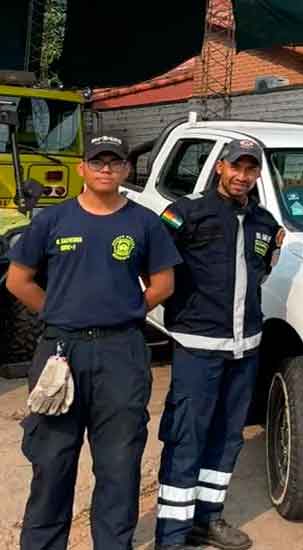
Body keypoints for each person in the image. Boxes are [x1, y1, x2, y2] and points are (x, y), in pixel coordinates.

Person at [6, 135, 180, 550]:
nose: (106, 169)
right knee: (51, 461)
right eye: (97, 161)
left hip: (121, 352)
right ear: (82, 168)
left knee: (119, 463)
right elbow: (18, 280)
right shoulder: (52, 221)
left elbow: (164, 283)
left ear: (125, 171)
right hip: (60, 353)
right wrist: (58, 313)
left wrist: (124, 311)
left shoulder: (144, 223)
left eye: (114, 162)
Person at [154, 139, 283, 550]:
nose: (242, 176)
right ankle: (171, 537)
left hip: (245, 347)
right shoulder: (185, 214)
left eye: (250, 169)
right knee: (186, 436)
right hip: (197, 345)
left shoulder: (264, 223)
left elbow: (259, 273)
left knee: (228, 436)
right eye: (235, 167)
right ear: (219, 168)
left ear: (258, 174)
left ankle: (207, 520)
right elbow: (153, 262)